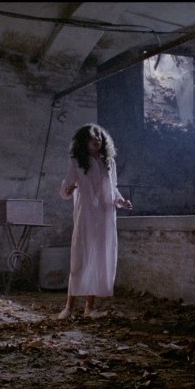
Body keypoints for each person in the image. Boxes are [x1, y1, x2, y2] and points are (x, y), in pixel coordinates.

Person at [57, 123, 132, 319]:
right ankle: (69, 307)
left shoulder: (109, 162)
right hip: (86, 214)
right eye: (92, 136)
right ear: (84, 141)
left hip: (105, 215)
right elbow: (66, 186)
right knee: (80, 258)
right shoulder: (77, 162)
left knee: (99, 258)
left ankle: (89, 307)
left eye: (99, 135)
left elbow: (113, 188)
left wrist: (122, 202)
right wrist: (68, 190)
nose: (97, 138)